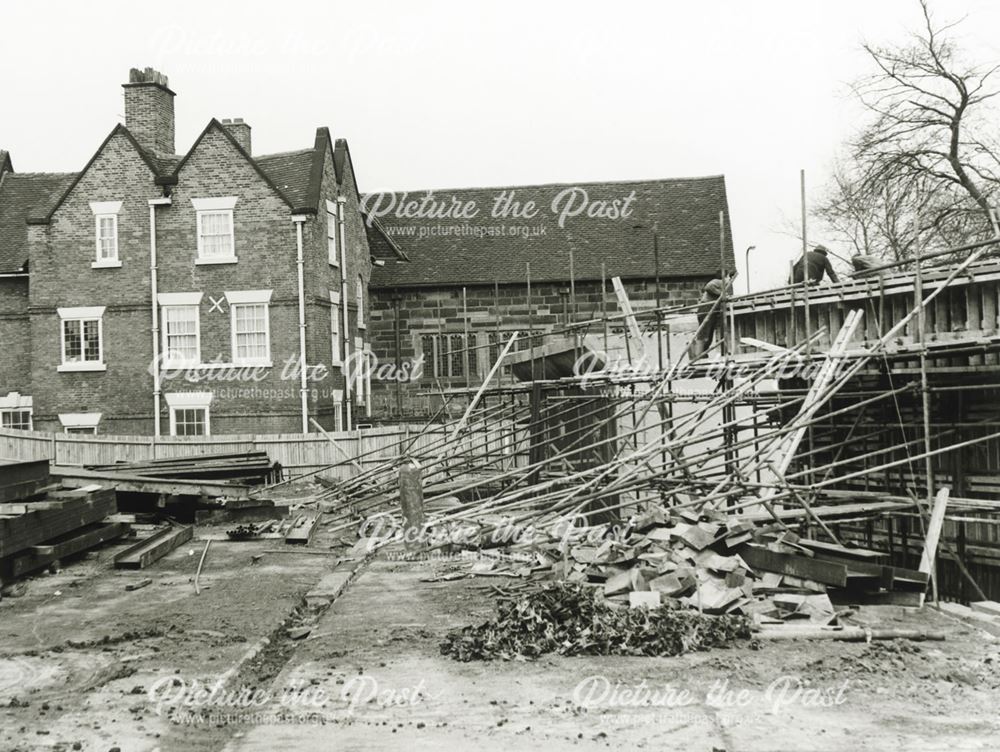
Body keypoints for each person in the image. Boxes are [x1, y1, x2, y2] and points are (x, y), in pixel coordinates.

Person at [688, 269, 733, 360]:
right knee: (704, 334)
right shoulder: (718, 282)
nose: (730, 279)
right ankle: (697, 356)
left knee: (708, 335)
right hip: (706, 309)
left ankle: (702, 355)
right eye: (728, 277)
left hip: (711, 310)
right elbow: (708, 287)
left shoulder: (722, 284)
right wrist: (722, 294)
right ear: (725, 276)